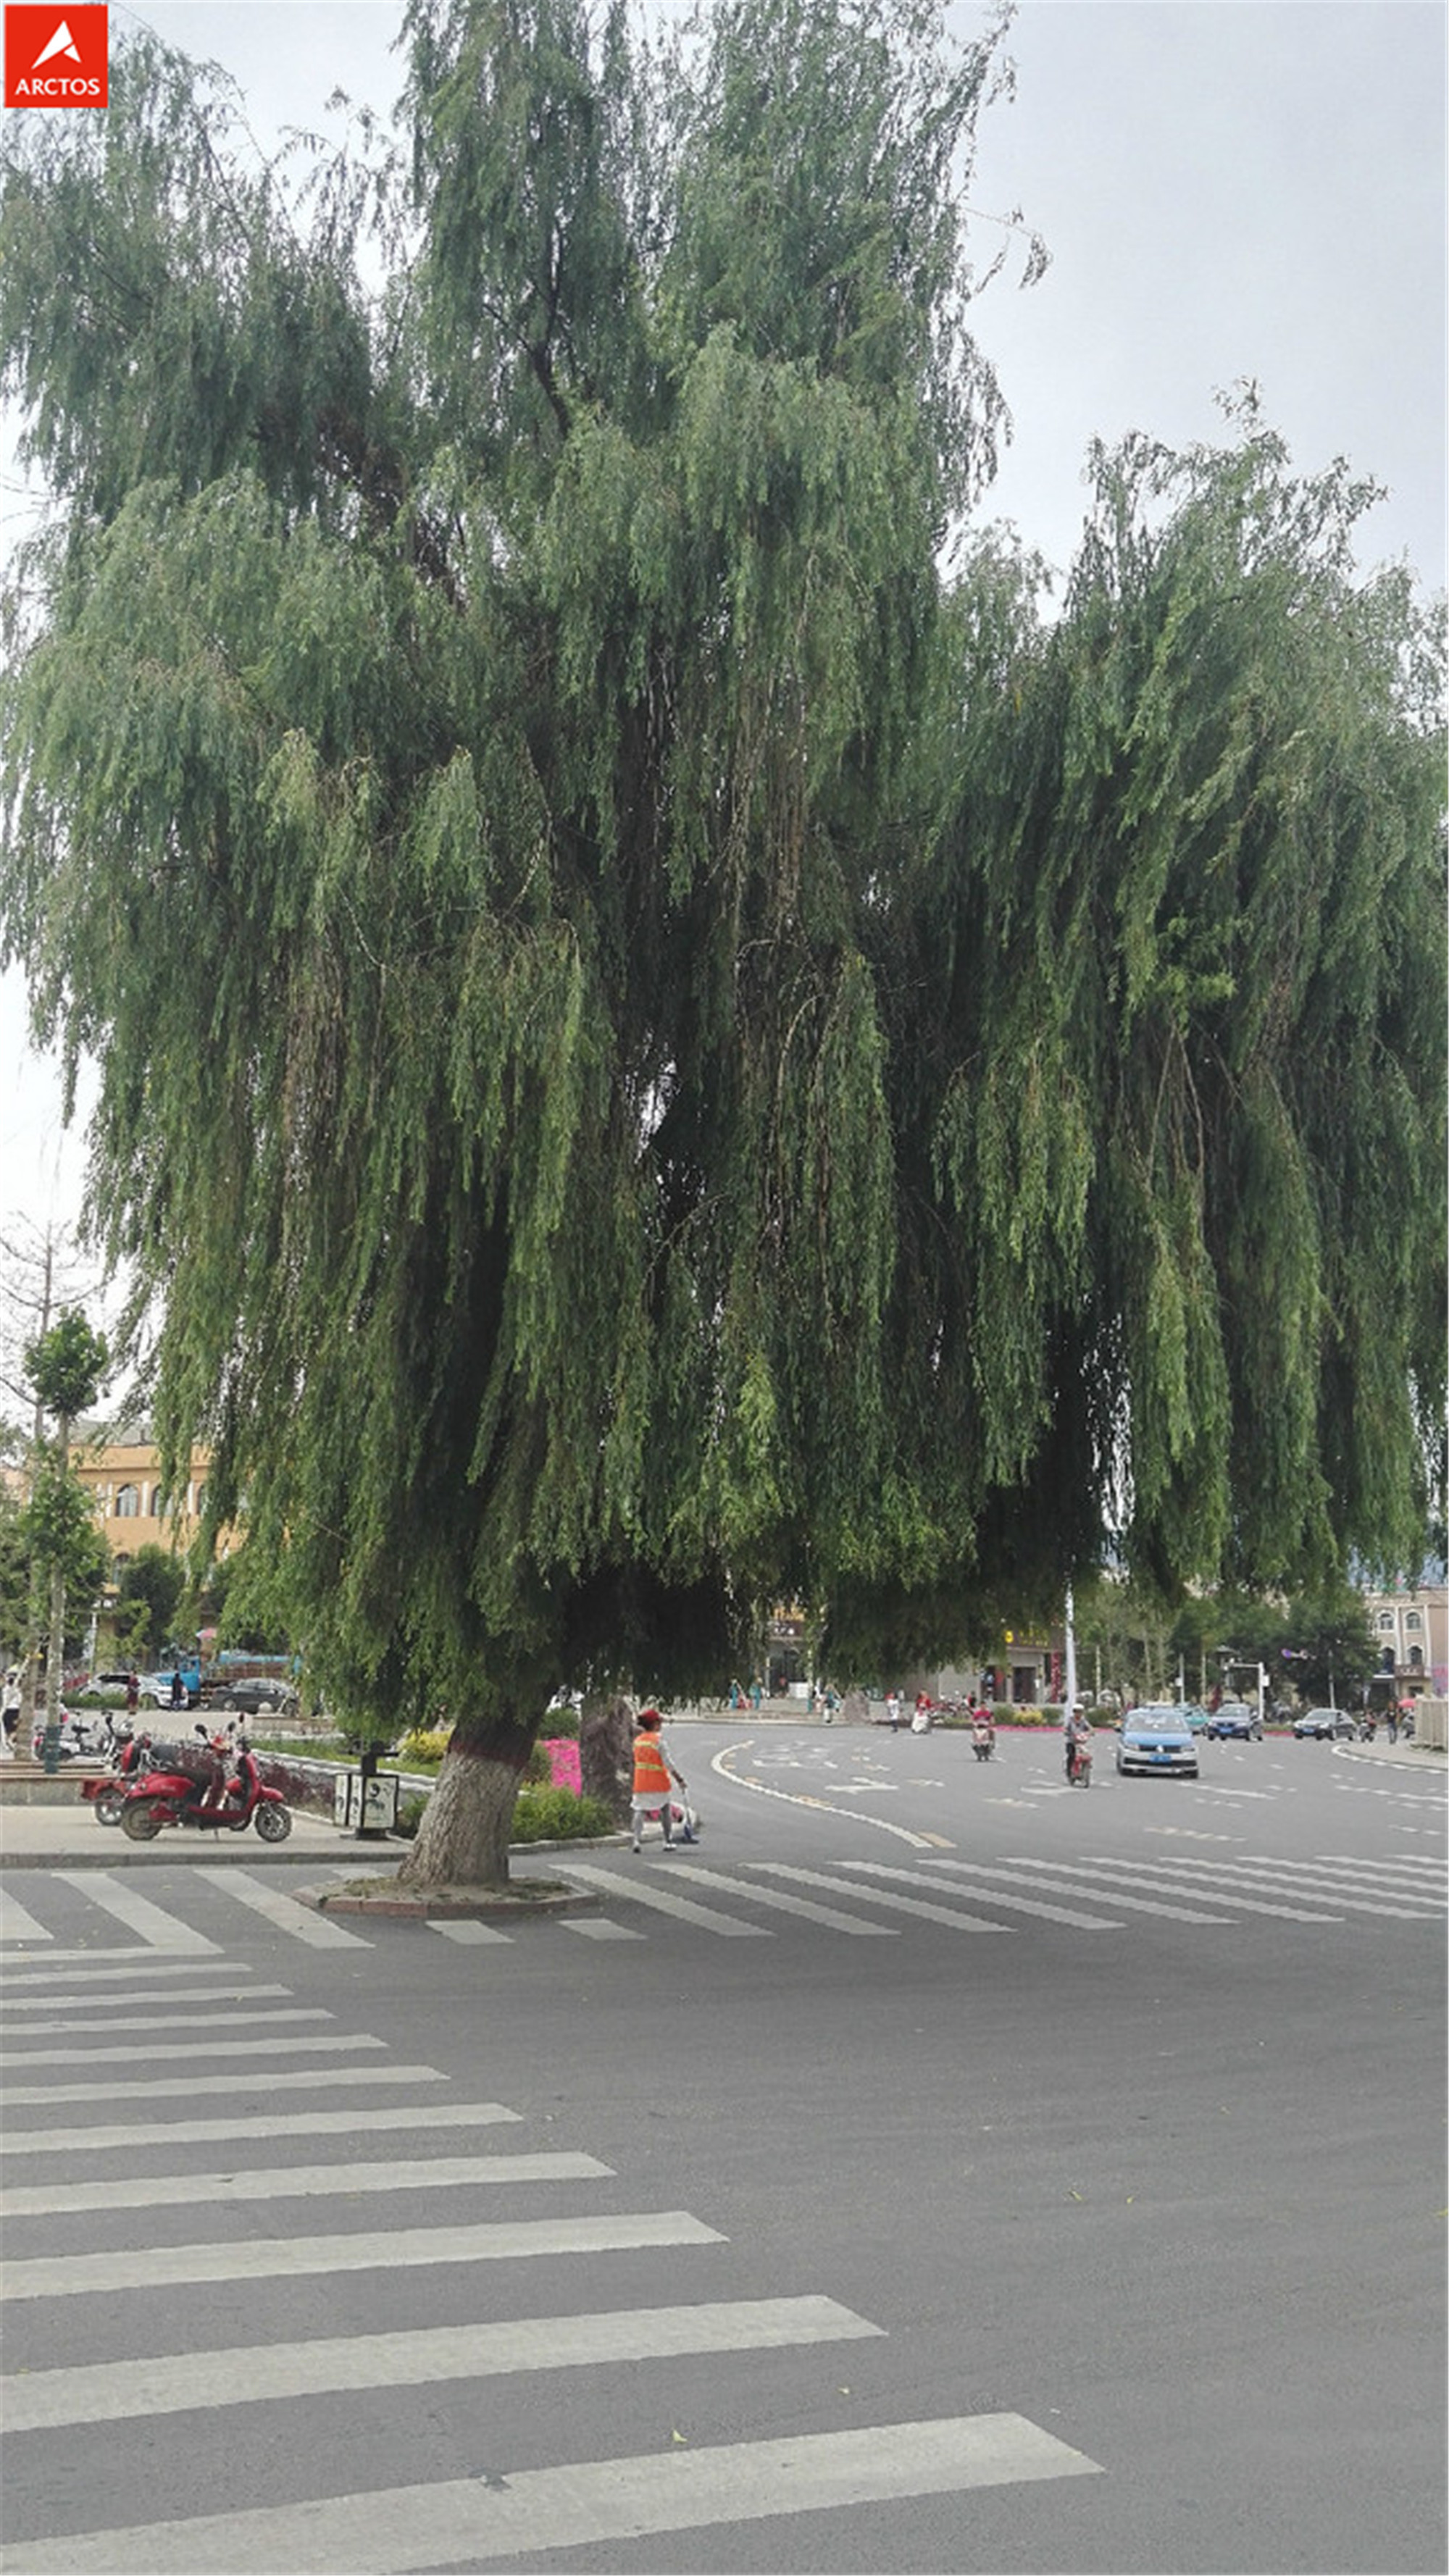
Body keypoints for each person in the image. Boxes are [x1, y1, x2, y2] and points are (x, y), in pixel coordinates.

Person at [630, 1708, 688, 1853]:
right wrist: (679, 1779)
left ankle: (636, 1840)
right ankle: (668, 1840)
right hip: (658, 1782)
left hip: (641, 1781)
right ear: (655, 1725)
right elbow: (668, 1763)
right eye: (659, 1722)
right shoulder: (659, 1741)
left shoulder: (638, 1741)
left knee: (639, 1810)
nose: (661, 1725)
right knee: (665, 1809)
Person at [1065, 1705, 1092, 1782]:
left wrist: (1091, 1732)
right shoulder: (1070, 1720)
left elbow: (1089, 1728)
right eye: (1077, 1712)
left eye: (1080, 1712)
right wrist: (1067, 1732)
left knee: (1086, 1754)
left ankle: (1084, 1770)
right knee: (1071, 1755)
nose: (1078, 1714)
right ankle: (1069, 1771)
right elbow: (1066, 1728)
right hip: (1072, 1742)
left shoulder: (1083, 1721)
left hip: (1082, 1742)